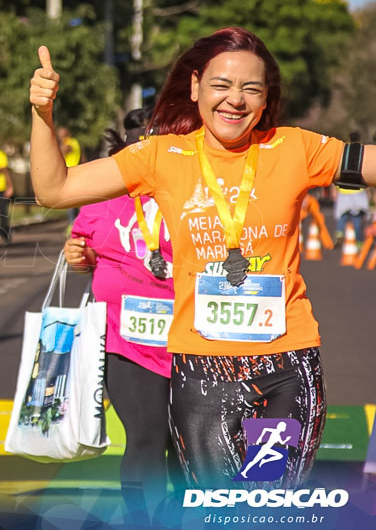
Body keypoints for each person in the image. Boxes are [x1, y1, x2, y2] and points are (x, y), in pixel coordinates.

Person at [27, 26, 368, 490]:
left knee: (267, 506)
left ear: (266, 97)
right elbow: (54, 189)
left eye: (251, 88)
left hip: (286, 367)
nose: (236, 100)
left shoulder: (295, 148)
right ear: (195, 88)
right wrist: (42, 115)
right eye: (221, 85)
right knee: (218, 507)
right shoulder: (161, 156)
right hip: (203, 371)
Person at [63, 108, 179, 525]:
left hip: (192, 342)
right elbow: (82, 249)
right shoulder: (104, 193)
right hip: (126, 343)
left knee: (185, 445)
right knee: (146, 437)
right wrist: (77, 256)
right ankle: (141, 521)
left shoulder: (193, 190)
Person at [334, 132, 370, 243]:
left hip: (343, 188)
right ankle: (359, 241)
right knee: (357, 216)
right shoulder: (363, 150)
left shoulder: (344, 149)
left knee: (343, 214)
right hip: (358, 189)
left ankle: (339, 232)